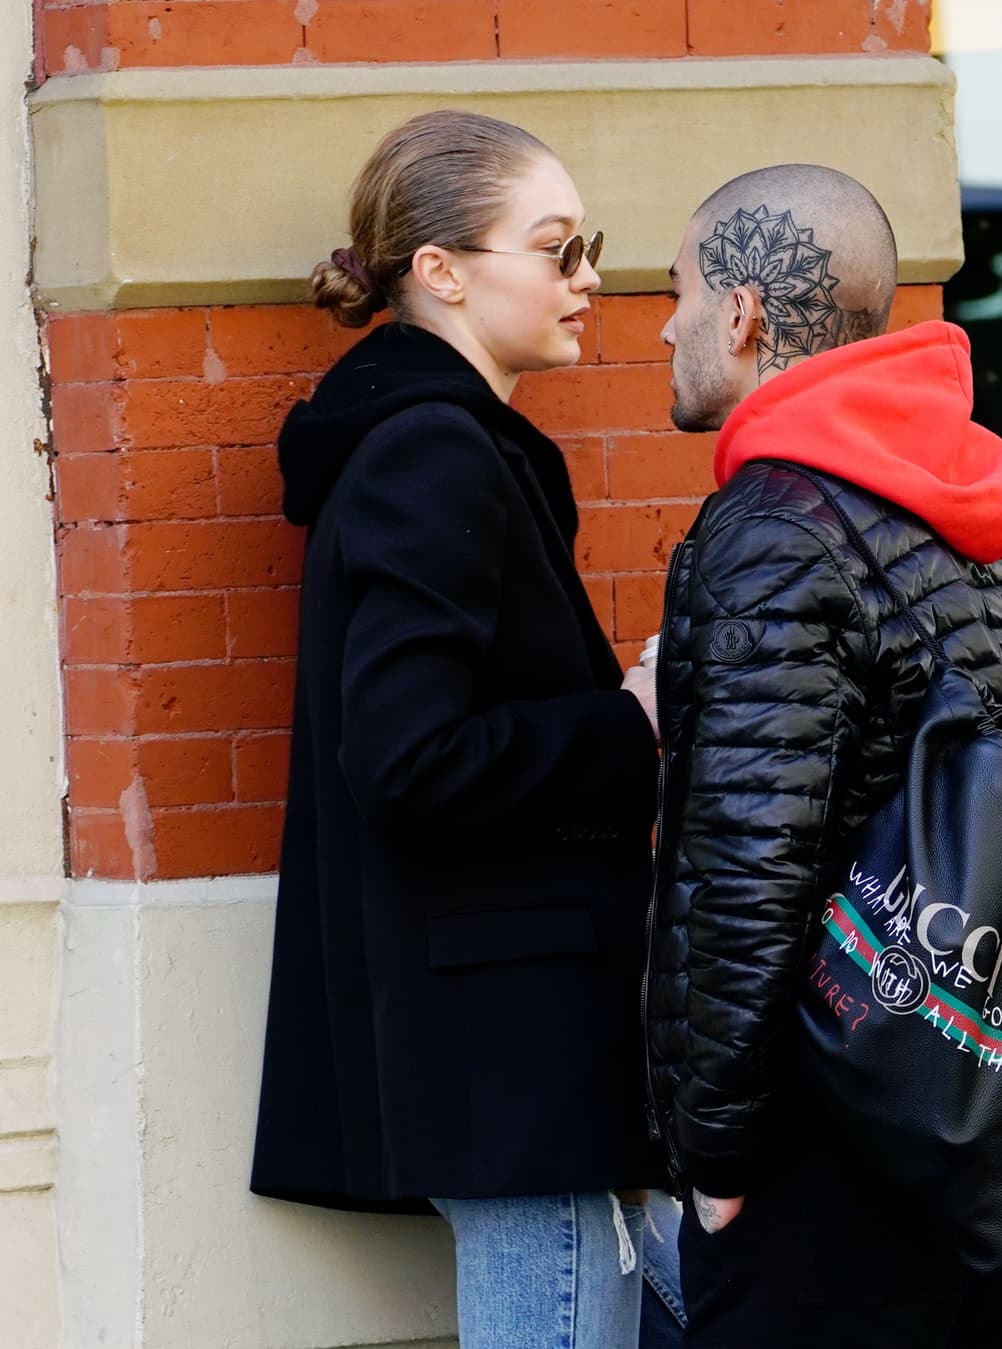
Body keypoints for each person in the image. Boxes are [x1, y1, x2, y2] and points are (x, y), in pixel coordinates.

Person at [643, 163, 1002, 1347]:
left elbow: (745, 869)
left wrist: (716, 1155)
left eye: (681, 291)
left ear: (742, 314)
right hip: (977, 1115)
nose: (664, 322)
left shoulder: (768, 531)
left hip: (822, 1144)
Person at [250, 110, 684, 1349]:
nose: (590, 276)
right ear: (439, 270)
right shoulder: (430, 456)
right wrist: (626, 720)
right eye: (556, 246)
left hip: (523, 1024)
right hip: (501, 1033)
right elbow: (405, 757)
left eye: (586, 243)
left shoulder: (451, 446)